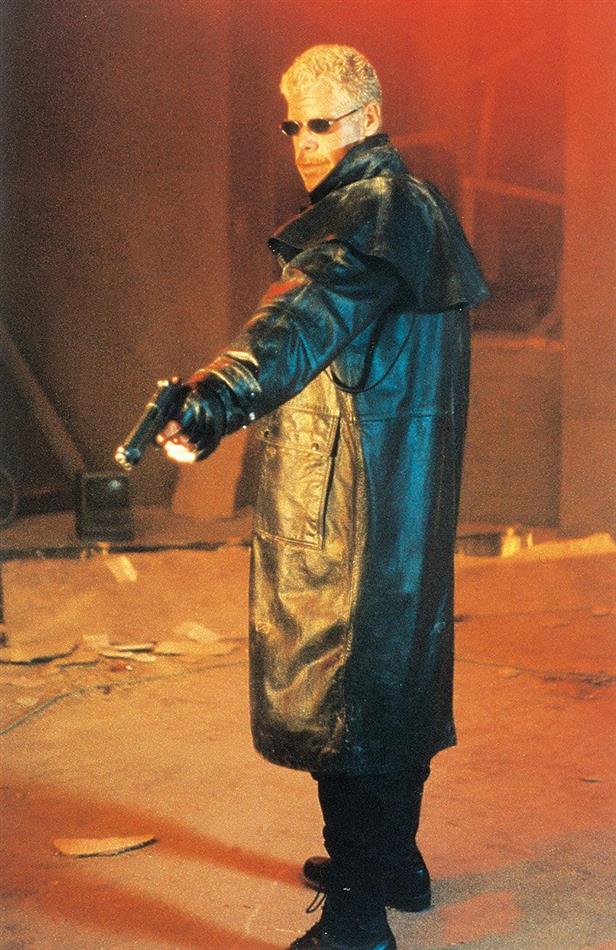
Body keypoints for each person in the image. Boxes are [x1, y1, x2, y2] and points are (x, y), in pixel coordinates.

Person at [159, 44, 488, 950]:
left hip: (352, 507)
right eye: (293, 125)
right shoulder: (410, 210)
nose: (305, 142)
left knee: (343, 706)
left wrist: (218, 394)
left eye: (324, 123)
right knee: (390, 685)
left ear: (369, 119)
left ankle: (356, 917)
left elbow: (302, 318)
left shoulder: (370, 218)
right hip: (394, 501)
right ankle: (395, 866)